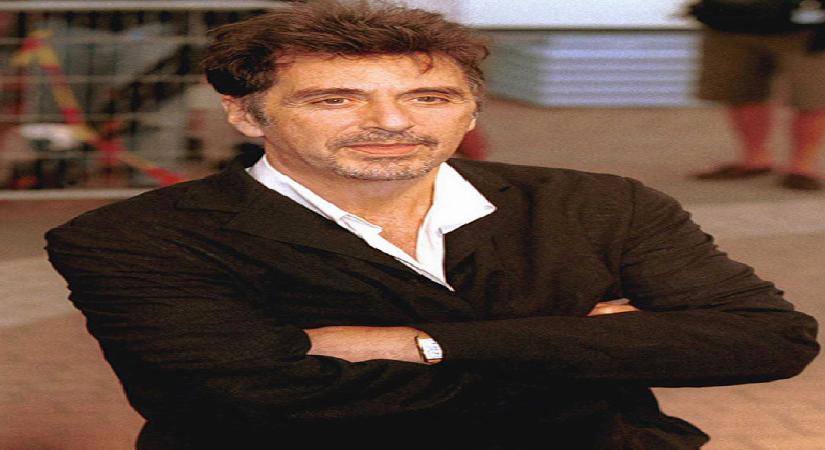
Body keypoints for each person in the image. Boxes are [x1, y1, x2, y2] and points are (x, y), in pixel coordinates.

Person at [45, 2, 819, 449]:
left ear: (471, 110)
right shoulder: (130, 239)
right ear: (246, 115)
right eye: (335, 99)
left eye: (429, 98)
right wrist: (588, 352)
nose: (392, 123)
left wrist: (420, 344)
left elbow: (766, 339)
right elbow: (246, 405)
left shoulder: (599, 203)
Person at [690, 0, 825, 190]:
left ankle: (802, 167)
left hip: (805, 26)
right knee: (740, 92)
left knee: (812, 97)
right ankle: (755, 160)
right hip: (728, 20)